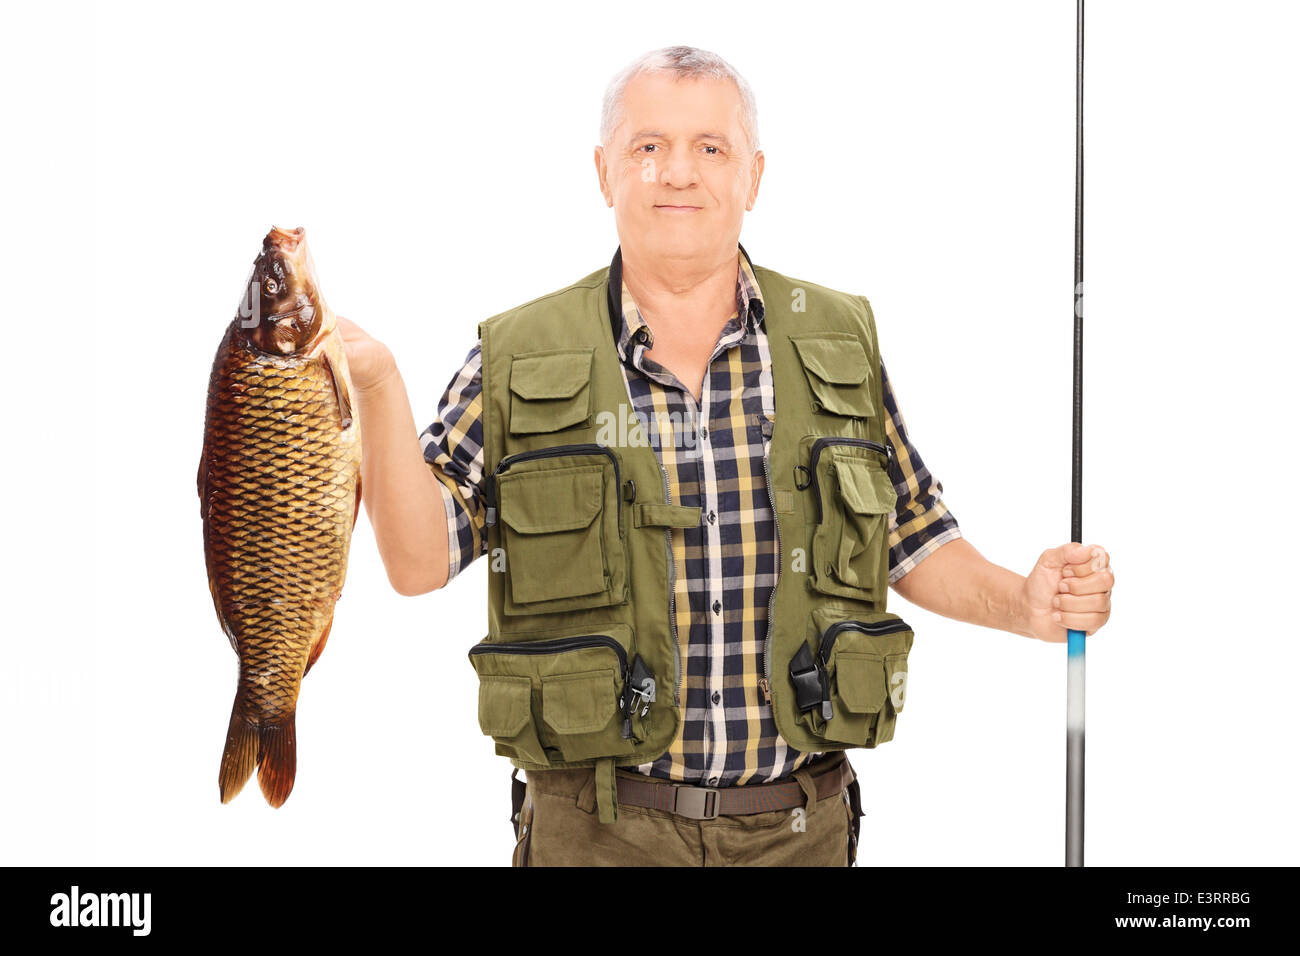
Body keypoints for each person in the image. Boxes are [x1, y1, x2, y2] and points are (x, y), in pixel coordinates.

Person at [336, 46, 1114, 867]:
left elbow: (912, 537)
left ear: (754, 175)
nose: (678, 172)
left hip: (798, 836)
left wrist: (1027, 604)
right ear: (604, 172)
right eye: (648, 147)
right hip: (595, 838)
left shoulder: (834, 341)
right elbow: (419, 561)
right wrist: (381, 385)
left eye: (711, 147)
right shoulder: (518, 354)